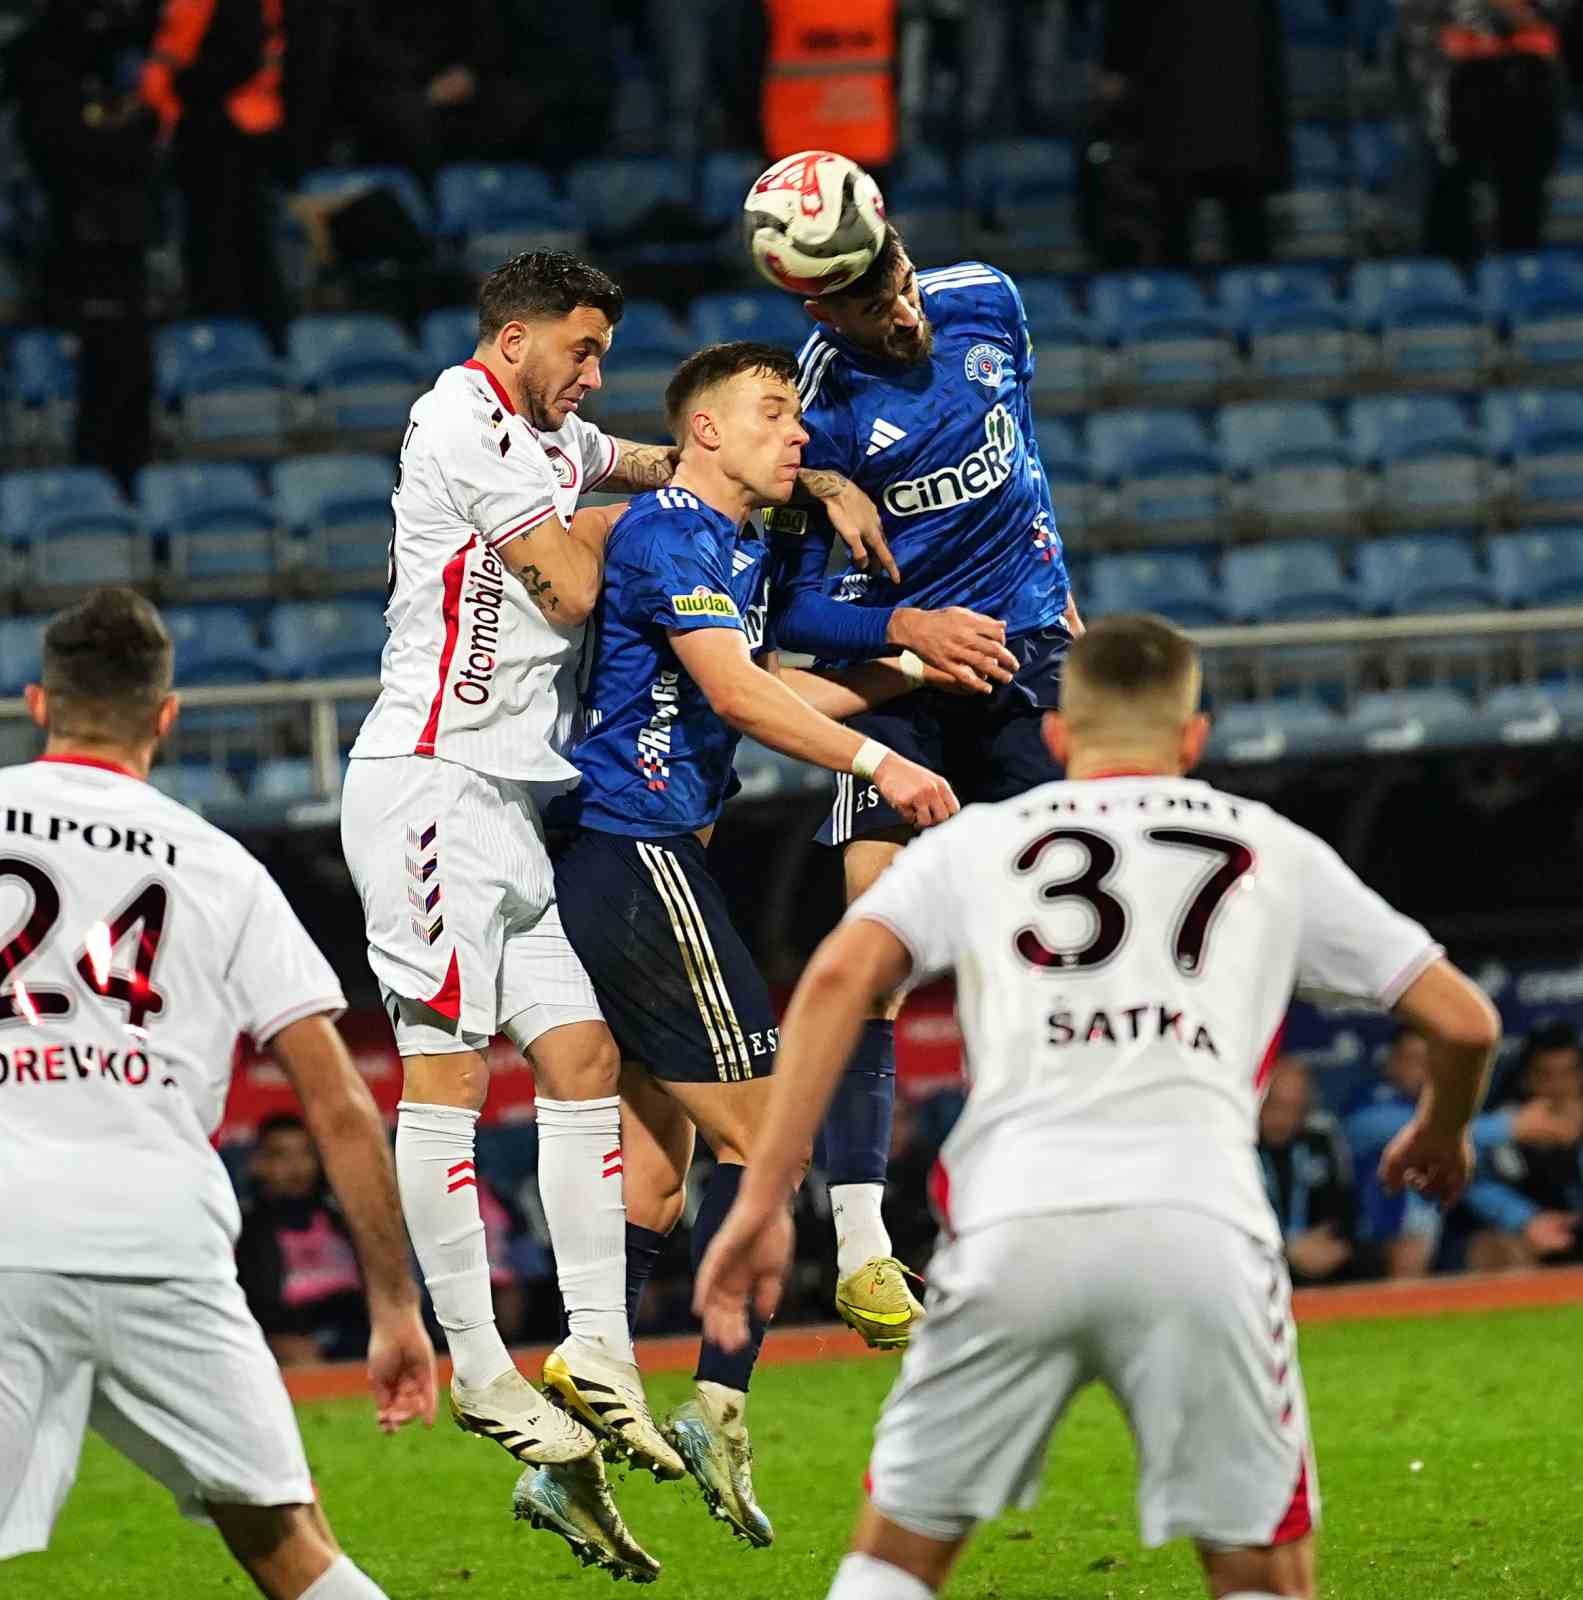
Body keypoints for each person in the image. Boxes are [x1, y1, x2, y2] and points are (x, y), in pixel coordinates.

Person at [696, 612, 1501, 1600]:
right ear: (1193, 739)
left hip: (1008, 1227)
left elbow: (834, 983)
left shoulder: (984, 840)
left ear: (1058, 738)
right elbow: (1463, 1024)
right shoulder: (1268, 848)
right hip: (1198, 1229)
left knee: (894, 1561)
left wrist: (762, 1196)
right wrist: (1442, 1127)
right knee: (1258, 1568)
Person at [552, 340, 959, 1553]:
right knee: (767, 1147)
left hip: (623, 859)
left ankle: (577, 1440)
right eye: (774, 415)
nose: (797, 434)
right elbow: (735, 696)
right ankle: (719, 1395)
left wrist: (897, 674)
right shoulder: (670, 526)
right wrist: (885, 759)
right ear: (706, 435)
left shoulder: (733, 542)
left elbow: (772, 679)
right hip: (638, 856)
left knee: (660, 1181)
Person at [0, 588, 436, 1600]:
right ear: (166, 715)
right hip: (161, 1236)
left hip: (7, 1229)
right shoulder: (220, 865)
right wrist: (394, 1306)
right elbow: (338, 1106)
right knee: (286, 1536)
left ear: (37, 703)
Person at [773, 221, 1081, 1350]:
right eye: (867, 305)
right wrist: (904, 623)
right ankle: (861, 1246)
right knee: (876, 943)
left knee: (1060, 937)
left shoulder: (987, 298)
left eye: (896, 281)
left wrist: (1057, 591)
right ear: (823, 314)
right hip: (896, 673)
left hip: (1017, 653)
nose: (900, 312)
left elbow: (1024, 458)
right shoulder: (816, 409)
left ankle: (1050, 1214)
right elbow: (788, 609)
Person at [1345, 1023, 1580, 1275]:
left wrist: (1526, 1219)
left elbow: (1470, 1180)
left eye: (1433, 1060)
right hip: (1372, 1242)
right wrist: (1513, 1125)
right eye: (1413, 1059)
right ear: (1392, 1063)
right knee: (1417, 1244)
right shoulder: (1367, 1106)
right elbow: (1421, 1131)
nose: (1427, 1070)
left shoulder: (1457, 1112)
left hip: (1440, 1237)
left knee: (1501, 1248)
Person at [236, 1112, 370, 1364]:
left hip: (355, 1328)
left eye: (305, 1153)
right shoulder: (247, 1229)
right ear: (258, 1163)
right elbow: (260, 1306)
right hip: (291, 1337)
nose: (296, 1166)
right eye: (281, 1155)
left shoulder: (343, 1221)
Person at [1463, 1021, 1583, 1268]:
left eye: (1569, 1073)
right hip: (1531, 1230)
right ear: (1528, 1078)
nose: (1559, 1087)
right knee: (1489, 1248)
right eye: (1546, 1075)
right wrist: (1525, 1219)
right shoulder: (1507, 1120)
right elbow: (1475, 1183)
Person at [1258, 1057, 1375, 1287]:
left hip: (1318, 1257)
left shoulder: (1322, 1140)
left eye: (1295, 1108)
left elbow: (1346, 1210)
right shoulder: (1239, 1147)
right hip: (1261, 1260)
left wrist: (1336, 1245)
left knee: (1369, 1261)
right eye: (1275, 1105)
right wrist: (1286, 1251)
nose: (1282, 1118)